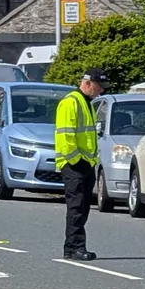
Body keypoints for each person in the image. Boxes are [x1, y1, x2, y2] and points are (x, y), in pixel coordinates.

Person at [54, 67, 107, 260]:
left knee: (83, 206)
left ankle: (73, 246)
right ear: (88, 83)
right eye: (99, 86)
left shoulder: (86, 103)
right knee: (76, 206)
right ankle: (75, 247)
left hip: (85, 162)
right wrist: (75, 159)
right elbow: (66, 135)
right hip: (74, 163)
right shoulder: (71, 102)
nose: (101, 90)